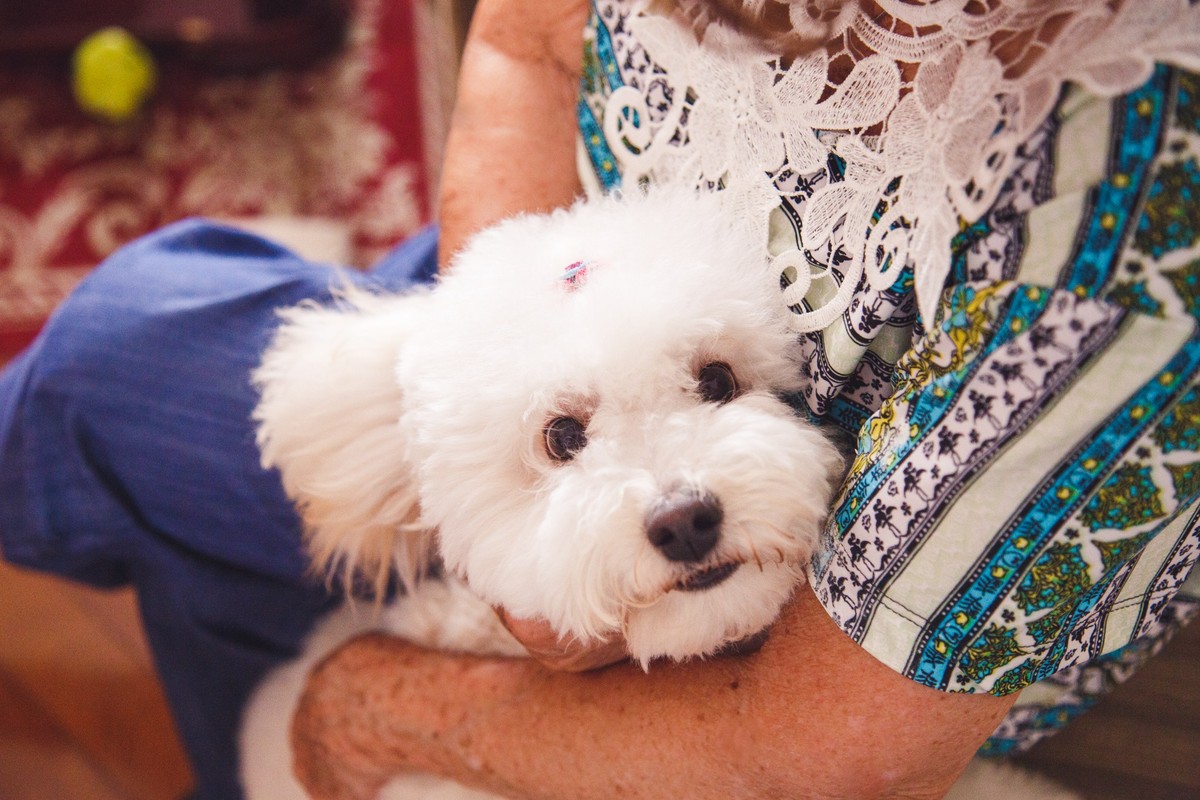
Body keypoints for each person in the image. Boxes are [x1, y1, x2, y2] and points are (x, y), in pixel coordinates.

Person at [2, 0, 1199, 798]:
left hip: (834, 650)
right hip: (538, 294)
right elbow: (525, 44)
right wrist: (504, 354)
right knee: (122, 346)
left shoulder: (1119, 245)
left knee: (141, 423)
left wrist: (374, 707)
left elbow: (819, 752)